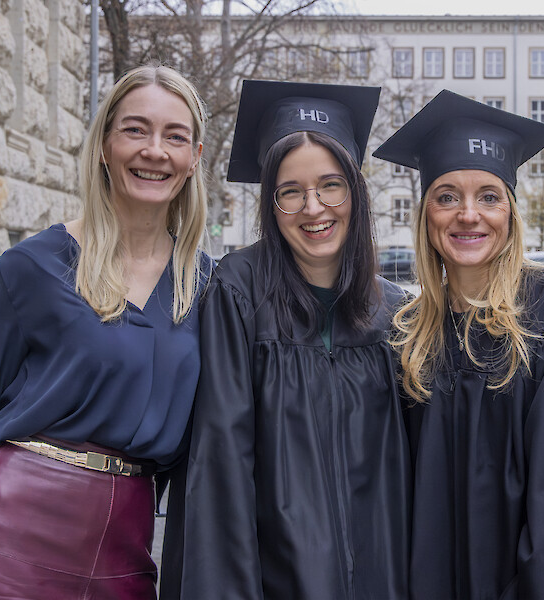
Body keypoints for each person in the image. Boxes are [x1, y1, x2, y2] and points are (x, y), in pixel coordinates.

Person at [373, 90, 544, 599]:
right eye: (446, 196)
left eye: (489, 196)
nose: (469, 214)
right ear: (426, 214)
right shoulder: (408, 331)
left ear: (510, 212)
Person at [176, 81, 410, 599]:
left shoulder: (396, 312)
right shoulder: (237, 292)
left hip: (384, 575)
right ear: (270, 202)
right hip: (276, 577)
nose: (314, 207)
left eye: (331, 185)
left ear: (356, 190)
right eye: (290, 191)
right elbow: (221, 462)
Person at [0, 63, 209, 597]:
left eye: (174, 136)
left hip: (129, 544)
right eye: (135, 129)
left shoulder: (211, 287)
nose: (154, 150)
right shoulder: (32, 268)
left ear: (193, 158)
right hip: (17, 531)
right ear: (104, 145)